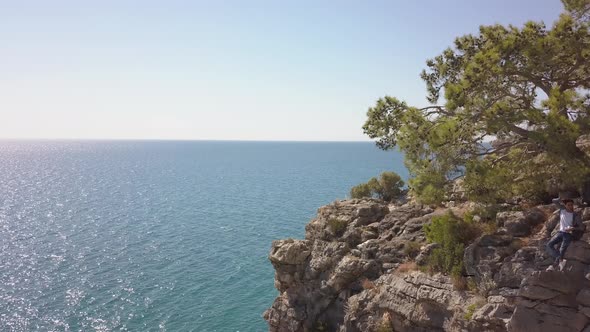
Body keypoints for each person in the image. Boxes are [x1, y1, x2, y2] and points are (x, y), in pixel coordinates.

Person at [546, 198, 582, 271]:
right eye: (568, 205)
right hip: (560, 233)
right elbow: (554, 201)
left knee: (562, 248)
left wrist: (572, 228)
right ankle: (560, 260)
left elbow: (581, 227)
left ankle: (554, 266)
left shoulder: (575, 215)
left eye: (572, 205)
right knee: (549, 245)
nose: (570, 206)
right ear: (565, 206)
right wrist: (560, 199)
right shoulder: (562, 210)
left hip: (569, 234)